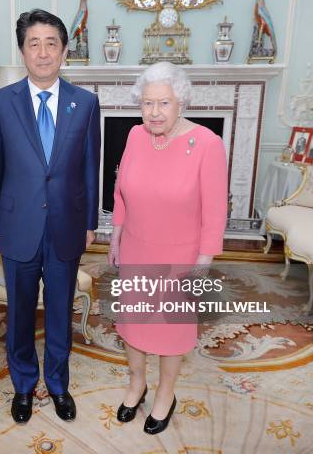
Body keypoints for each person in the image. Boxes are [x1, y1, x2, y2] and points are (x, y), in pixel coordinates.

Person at [0, 9, 100, 424]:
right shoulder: (0, 103)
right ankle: (23, 386)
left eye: (52, 43)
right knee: (18, 314)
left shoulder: (85, 103)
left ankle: (58, 384)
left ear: (64, 51)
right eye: (34, 43)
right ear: (23, 51)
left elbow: (90, 167)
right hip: (17, 227)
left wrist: (90, 224)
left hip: (67, 226)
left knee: (59, 312)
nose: (43, 52)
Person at [108, 62, 227, 435]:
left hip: (181, 256)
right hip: (135, 248)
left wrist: (204, 261)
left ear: (181, 103)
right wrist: (116, 234)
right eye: (147, 104)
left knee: (171, 330)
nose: (154, 112)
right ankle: (136, 383)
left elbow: (215, 210)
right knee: (132, 321)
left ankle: (165, 393)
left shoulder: (208, 144)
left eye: (163, 103)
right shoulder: (134, 136)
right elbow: (121, 190)